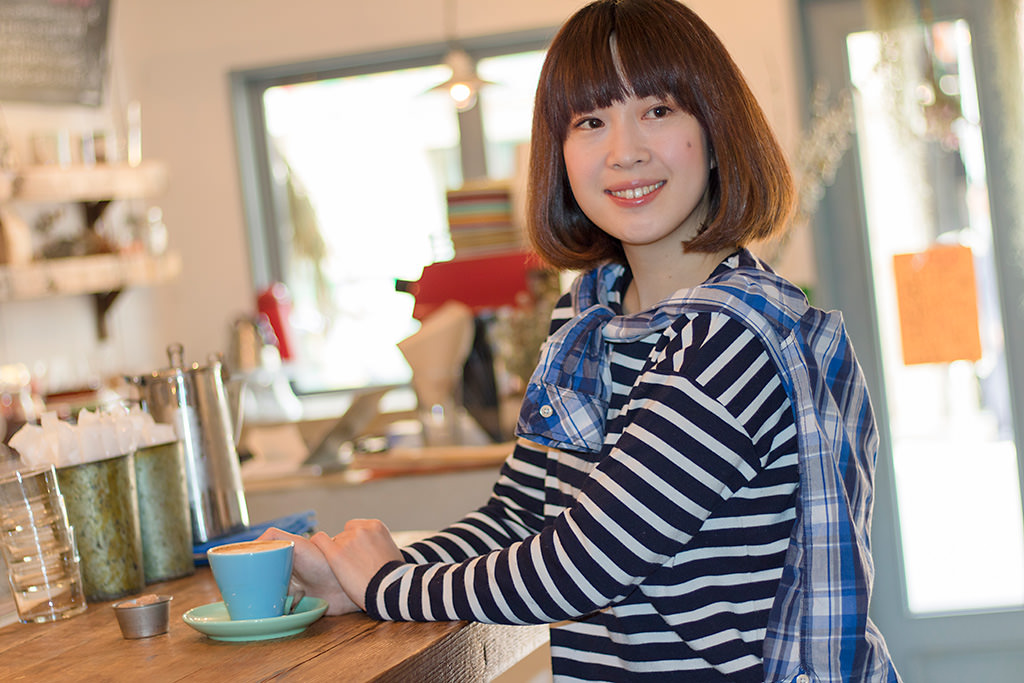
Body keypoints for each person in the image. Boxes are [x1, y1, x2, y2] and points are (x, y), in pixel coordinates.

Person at [261, 1, 901, 680]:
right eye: (591, 121)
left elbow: (582, 564)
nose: (625, 150)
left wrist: (384, 584)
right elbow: (517, 515)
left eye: (658, 110)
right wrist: (360, 574)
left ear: (715, 129)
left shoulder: (732, 341)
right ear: (560, 154)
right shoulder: (587, 320)